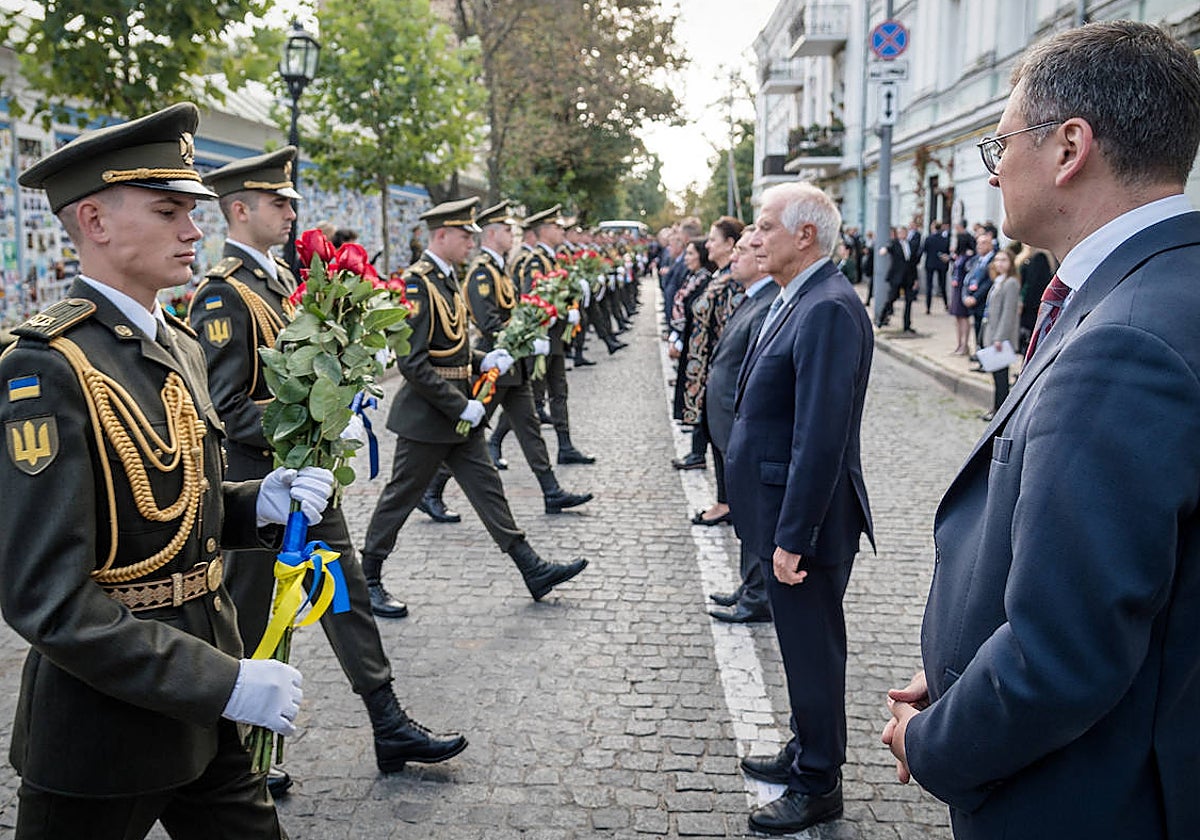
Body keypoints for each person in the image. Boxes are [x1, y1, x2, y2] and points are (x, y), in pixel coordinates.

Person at [883, 21, 1200, 840]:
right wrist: (960, 671)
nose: (994, 175)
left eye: (999, 149)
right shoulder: (1169, 283)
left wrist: (935, 741)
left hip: (1087, 795)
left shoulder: (1123, 340)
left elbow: (1065, 652)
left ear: (1068, 148)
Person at [0, 103, 335, 840]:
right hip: (101, 737)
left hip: (201, 717)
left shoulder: (176, 339)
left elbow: (182, 503)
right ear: (95, 221)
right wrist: (227, 680)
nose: (194, 230)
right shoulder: (47, 367)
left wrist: (260, 506)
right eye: (169, 210)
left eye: (194, 210)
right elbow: (47, 600)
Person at [190, 148, 467, 783]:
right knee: (250, 615)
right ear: (240, 209)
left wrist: (338, 400)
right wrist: (316, 421)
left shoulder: (284, 284)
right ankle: (234, 754)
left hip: (310, 484)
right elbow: (227, 407)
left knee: (347, 595)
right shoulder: (222, 296)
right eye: (278, 202)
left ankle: (388, 723)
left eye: (290, 202)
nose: (291, 212)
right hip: (261, 490)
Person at [726, 182, 874, 835]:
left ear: (804, 235)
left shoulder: (829, 308)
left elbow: (821, 435)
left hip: (805, 522)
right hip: (784, 512)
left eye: (765, 227)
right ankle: (802, 747)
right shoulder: (801, 298)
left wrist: (793, 536)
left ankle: (818, 781)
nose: (755, 238)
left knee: (813, 650)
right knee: (797, 646)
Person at [359, 198, 588, 615]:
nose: (472, 241)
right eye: (465, 235)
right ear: (441, 236)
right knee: (400, 498)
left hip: (458, 418)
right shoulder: (418, 283)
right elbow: (413, 363)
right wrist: (458, 404)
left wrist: (486, 360)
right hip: (427, 419)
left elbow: (455, 348)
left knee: (489, 492)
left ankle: (532, 568)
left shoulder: (447, 278)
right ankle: (368, 578)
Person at [418, 200, 593, 519]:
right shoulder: (482, 271)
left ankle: (551, 491)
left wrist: (529, 335)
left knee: (530, 428)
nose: (514, 235)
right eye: (508, 231)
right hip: (494, 364)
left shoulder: (499, 268)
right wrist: (520, 340)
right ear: (494, 234)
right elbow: (488, 322)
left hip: (514, 365)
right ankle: (431, 489)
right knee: (467, 431)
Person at [703, 227, 778, 623]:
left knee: (753, 514)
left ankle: (756, 595)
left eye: (742, 252)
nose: (734, 258)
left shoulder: (766, 303)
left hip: (739, 423)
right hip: (727, 421)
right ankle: (748, 586)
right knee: (747, 514)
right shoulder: (751, 297)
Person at [976, 248, 1020, 420]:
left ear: (1010, 263)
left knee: (1001, 377)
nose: (999, 263)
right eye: (997, 260)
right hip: (991, 331)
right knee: (995, 376)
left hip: (999, 337)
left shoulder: (1011, 283)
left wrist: (999, 338)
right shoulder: (998, 281)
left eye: (1004, 260)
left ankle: (1000, 411)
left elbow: (1008, 313)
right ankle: (995, 408)